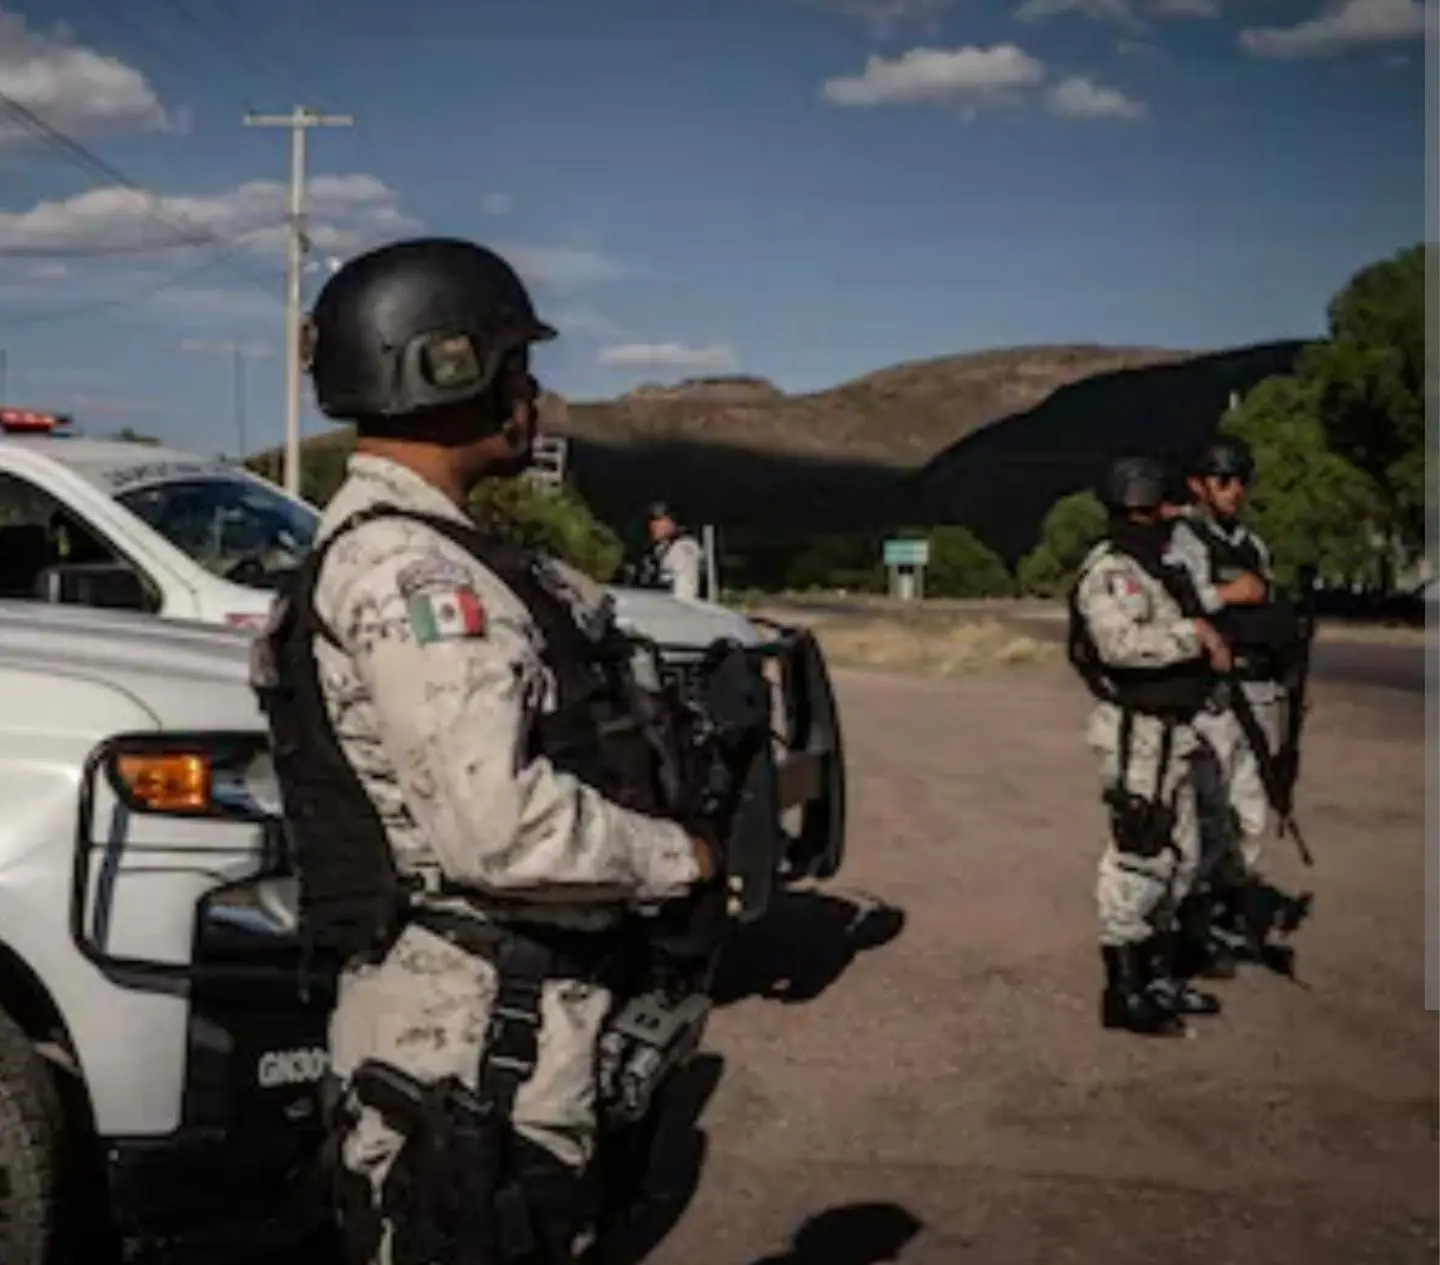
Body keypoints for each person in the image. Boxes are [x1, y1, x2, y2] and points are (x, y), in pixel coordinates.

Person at [249, 237, 718, 1264]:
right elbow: (496, 832)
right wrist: (681, 855)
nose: (532, 392)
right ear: (447, 367)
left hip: (482, 1019)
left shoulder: (431, 550)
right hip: (472, 1037)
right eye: (514, 364)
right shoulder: (413, 576)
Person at [1068, 455, 1231, 1036]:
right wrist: (1194, 636)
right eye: (1163, 506)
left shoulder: (1155, 565)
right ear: (1142, 506)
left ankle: (1159, 974)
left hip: (1172, 731)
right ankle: (1124, 989)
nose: (1173, 515)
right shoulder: (1113, 570)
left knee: (1180, 858)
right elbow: (1119, 644)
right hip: (1137, 733)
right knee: (1139, 854)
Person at [1166, 435, 1284, 963]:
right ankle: (1194, 926)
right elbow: (1180, 606)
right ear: (1198, 485)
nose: (1234, 490)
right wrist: (1229, 595)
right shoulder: (1185, 540)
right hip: (1214, 698)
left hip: (1261, 692)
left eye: (1241, 480)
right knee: (1210, 815)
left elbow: (1270, 613)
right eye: (1223, 479)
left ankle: (1230, 912)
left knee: (1253, 814)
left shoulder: (1253, 545)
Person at [643, 502, 704, 600]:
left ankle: (683, 593)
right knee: (686, 575)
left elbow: (661, 537)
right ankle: (687, 594)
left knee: (682, 575)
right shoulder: (664, 523)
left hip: (679, 547)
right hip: (682, 546)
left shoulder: (663, 523)